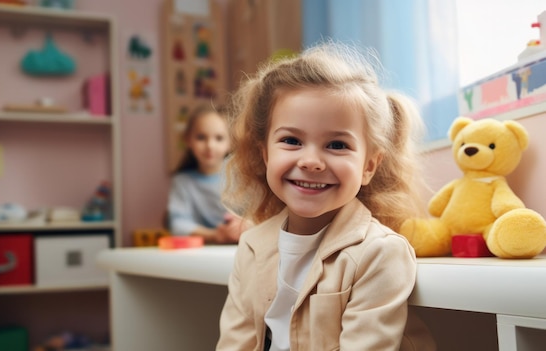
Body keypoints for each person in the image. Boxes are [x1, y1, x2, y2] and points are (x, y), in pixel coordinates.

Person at [216, 41, 436, 350]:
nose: (311, 161)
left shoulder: (379, 253)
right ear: (265, 154)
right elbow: (235, 343)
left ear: (369, 166)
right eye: (292, 140)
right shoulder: (253, 245)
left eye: (336, 145)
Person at [167, 104, 248, 244]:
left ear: (230, 142)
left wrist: (244, 225)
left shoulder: (244, 176)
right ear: (188, 140)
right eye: (201, 137)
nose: (210, 145)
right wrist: (214, 235)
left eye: (219, 138)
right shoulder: (182, 182)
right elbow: (177, 224)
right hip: (204, 254)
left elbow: (262, 215)